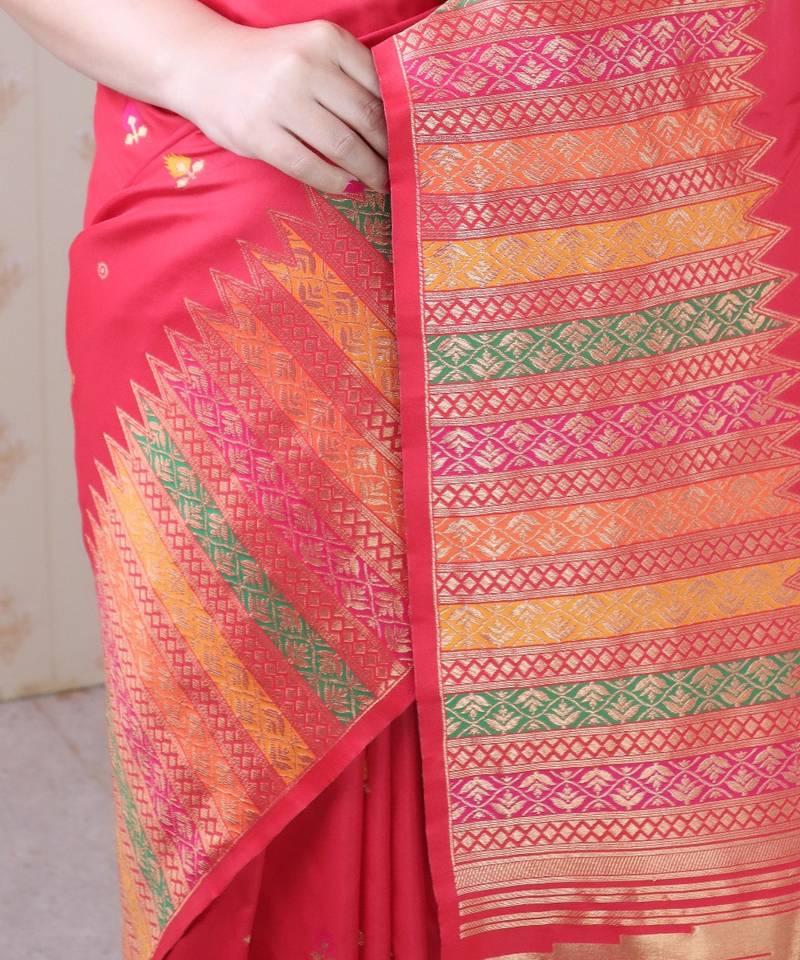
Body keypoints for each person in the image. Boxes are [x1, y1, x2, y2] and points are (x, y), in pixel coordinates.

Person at [3, 0, 800, 958]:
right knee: (271, 777)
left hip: (652, 200)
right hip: (277, 199)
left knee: (665, 726)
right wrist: (189, 57)